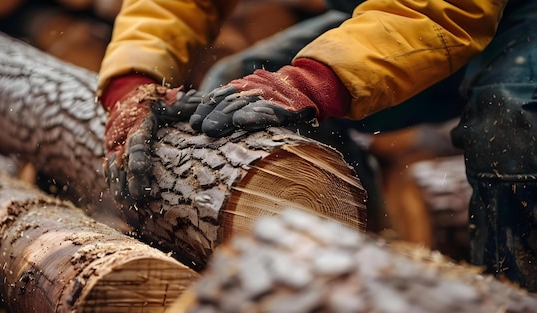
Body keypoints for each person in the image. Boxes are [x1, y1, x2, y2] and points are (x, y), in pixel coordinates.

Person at [98, 0, 537, 291]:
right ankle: (356, 274)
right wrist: (132, 84)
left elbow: (447, 7)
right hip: (389, 12)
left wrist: (314, 83)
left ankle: (511, 292)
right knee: (230, 100)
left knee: (510, 117)